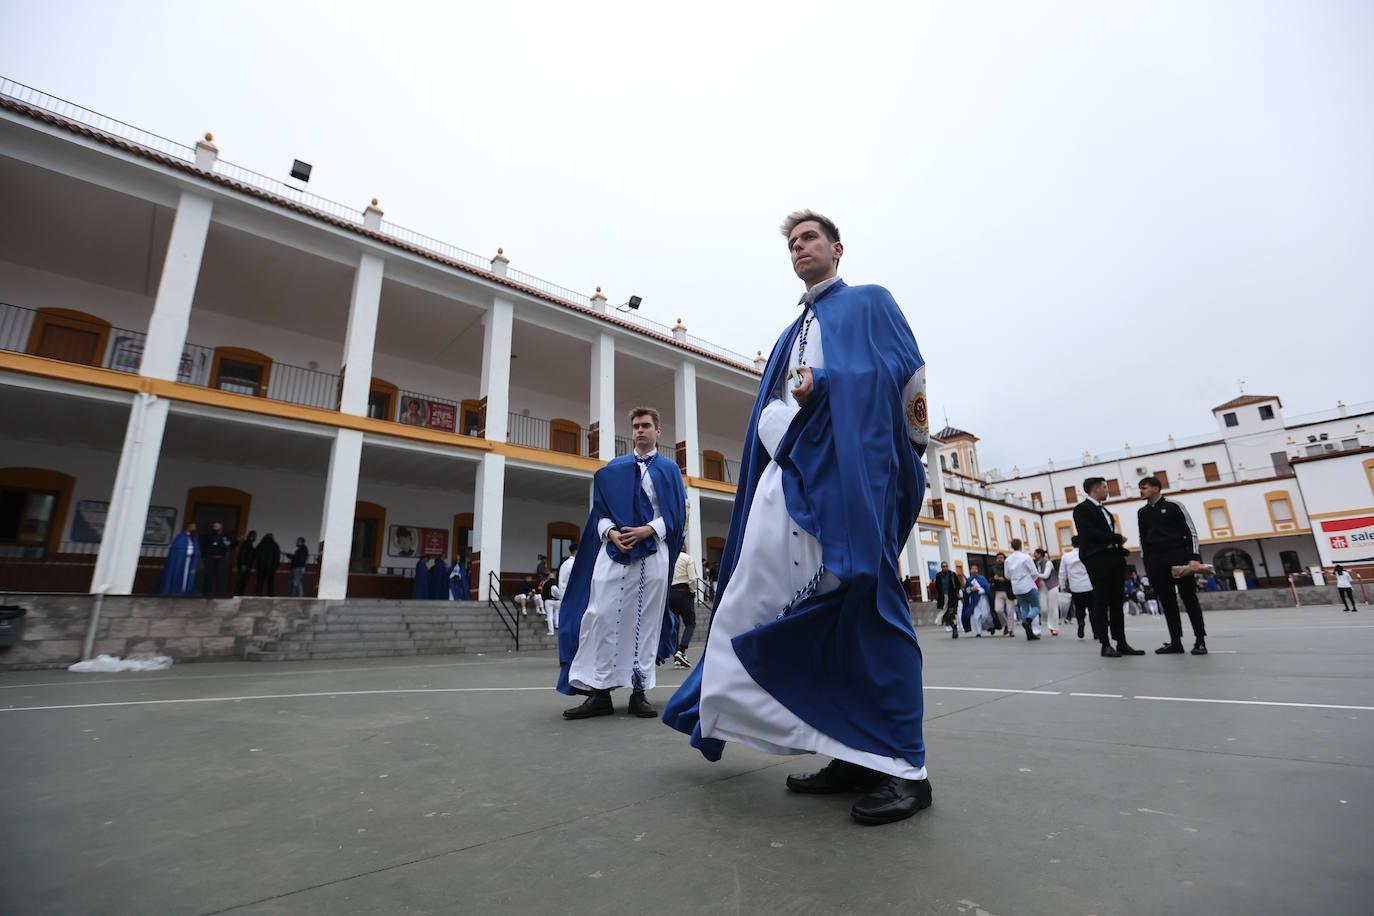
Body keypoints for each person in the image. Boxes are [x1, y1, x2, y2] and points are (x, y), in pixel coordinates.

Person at [663, 210, 931, 826]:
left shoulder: (870, 303)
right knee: (750, 607)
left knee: (863, 610)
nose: (798, 247)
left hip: (847, 490)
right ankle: (845, 749)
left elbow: (906, 382)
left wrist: (829, 387)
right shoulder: (791, 332)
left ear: (837, 247)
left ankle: (907, 770)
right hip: (787, 486)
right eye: (791, 242)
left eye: (809, 237)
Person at [557, 406, 687, 720]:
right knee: (601, 617)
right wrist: (611, 532)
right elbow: (598, 514)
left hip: (653, 554)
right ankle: (599, 693)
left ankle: (638, 693)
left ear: (658, 431)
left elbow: (677, 517)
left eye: (646, 425)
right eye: (635, 426)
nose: (640, 430)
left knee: (645, 623)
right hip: (613, 552)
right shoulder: (613, 468)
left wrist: (649, 529)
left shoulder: (669, 470)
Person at [1136, 476, 1209, 654]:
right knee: (1167, 603)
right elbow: (1143, 540)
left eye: (1144, 488)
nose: (1141, 491)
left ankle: (1200, 640)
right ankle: (1176, 642)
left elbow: (1190, 531)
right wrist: (1148, 565)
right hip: (1156, 562)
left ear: (1155, 488)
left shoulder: (1174, 506)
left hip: (1179, 558)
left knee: (1189, 599)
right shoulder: (1142, 512)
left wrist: (1193, 557)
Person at [1073, 477, 1142, 657]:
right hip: (1098, 558)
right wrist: (1116, 538)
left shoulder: (1104, 510)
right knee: (1101, 601)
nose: (1107, 490)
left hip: (1114, 557)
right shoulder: (1082, 510)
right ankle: (1105, 643)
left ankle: (1121, 641)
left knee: (1117, 601)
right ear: (1095, 489)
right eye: (1105, 487)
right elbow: (1088, 533)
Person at [1003, 539, 1043, 640]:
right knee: (1036, 607)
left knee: (1024, 608)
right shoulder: (1026, 557)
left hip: (1016, 587)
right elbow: (1034, 572)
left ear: (1011, 546)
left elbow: (1007, 575)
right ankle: (1028, 620)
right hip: (1028, 584)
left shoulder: (1008, 560)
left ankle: (1028, 632)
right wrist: (1030, 580)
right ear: (1021, 546)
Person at [1058, 536, 1095, 639]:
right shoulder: (1087, 553)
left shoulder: (1066, 557)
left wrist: (1063, 586)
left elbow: (1062, 573)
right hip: (1089, 585)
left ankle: (1081, 622)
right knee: (1093, 609)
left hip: (1075, 587)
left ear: (1072, 544)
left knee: (1079, 608)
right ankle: (1096, 631)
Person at [669, 548, 699, 667]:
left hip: (670, 593)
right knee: (690, 623)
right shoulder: (687, 558)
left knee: (674, 625)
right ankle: (682, 650)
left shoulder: (669, 558)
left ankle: (676, 654)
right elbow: (692, 579)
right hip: (684, 592)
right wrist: (693, 592)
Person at [155, 522, 200, 595]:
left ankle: (185, 589)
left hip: (188, 561)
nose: (195, 529)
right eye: (193, 527)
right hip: (181, 560)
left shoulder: (193, 538)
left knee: (187, 576)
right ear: (188, 527)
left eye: (195, 527)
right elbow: (177, 551)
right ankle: (177, 590)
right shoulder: (181, 537)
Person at [199, 521, 232, 598]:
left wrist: (237, 541)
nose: (215, 527)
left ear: (221, 527)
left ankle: (219, 594)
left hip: (221, 559)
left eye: (217, 526)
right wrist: (204, 555)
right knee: (208, 576)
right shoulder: (208, 536)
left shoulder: (226, 536)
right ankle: (206, 593)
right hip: (210, 558)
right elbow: (203, 546)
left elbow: (231, 546)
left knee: (220, 576)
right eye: (214, 526)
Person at [1033, 548, 1060, 636]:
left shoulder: (1048, 563)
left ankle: (1054, 627)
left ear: (1040, 554)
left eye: (1035, 553)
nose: (1034, 555)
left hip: (1051, 586)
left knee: (1053, 607)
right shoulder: (1036, 564)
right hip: (1041, 587)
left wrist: (1034, 574)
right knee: (1043, 608)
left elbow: (1046, 575)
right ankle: (1048, 622)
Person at [962, 564, 994, 635]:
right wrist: (971, 589)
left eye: (975, 569)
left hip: (983, 599)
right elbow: (966, 591)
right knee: (976, 616)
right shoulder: (969, 580)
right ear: (970, 570)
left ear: (977, 570)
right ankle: (978, 632)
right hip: (974, 601)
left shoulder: (982, 578)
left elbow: (987, 588)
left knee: (985, 615)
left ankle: (990, 626)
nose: (974, 570)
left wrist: (978, 589)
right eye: (972, 569)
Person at [934, 561, 962, 638]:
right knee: (946, 616)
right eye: (943, 566)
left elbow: (958, 584)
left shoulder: (952, 574)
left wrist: (956, 592)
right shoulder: (939, 575)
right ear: (941, 567)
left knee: (951, 613)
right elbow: (937, 587)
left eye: (946, 566)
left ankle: (954, 629)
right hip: (943, 598)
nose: (945, 567)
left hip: (952, 598)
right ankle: (953, 625)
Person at [990, 553, 1015, 636]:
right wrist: (994, 579)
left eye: (1001, 558)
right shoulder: (993, 568)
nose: (999, 559)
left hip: (1009, 592)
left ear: (1005, 559)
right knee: (998, 610)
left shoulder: (1009, 568)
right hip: (998, 592)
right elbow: (989, 579)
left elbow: (1014, 579)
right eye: (998, 558)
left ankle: (1011, 630)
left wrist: (1004, 579)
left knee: (1010, 611)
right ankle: (1006, 624)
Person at [234, 530, 257, 595]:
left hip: (246, 565)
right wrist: (243, 564)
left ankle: (239, 594)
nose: (255, 538)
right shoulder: (247, 543)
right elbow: (243, 554)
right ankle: (238, 594)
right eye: (255, 536)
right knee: (242, 580)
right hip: (245, 565)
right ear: (252, 536)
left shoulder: (248, 543)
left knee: (243, 580)